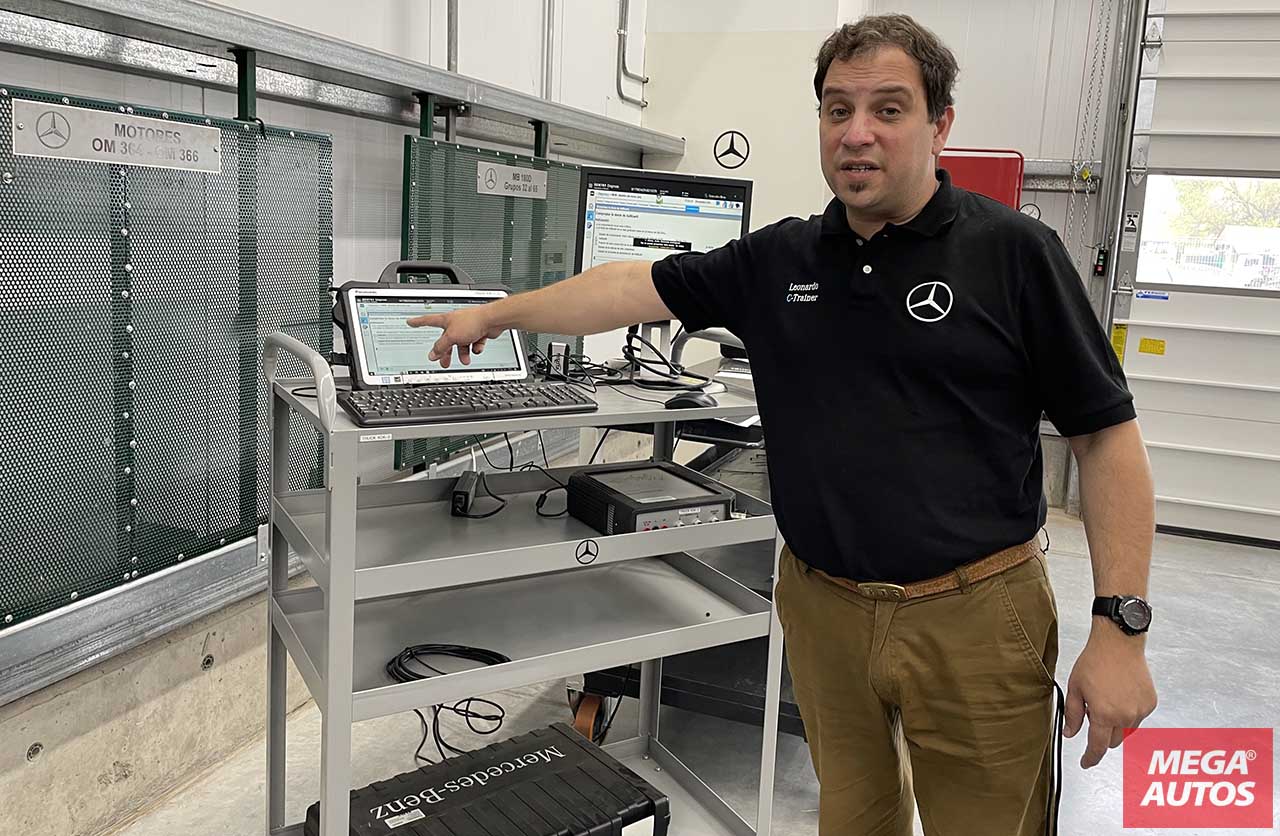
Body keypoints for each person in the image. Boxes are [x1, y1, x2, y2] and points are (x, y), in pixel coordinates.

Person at [408, 13, 1158, 836]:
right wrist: (495, 314)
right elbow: (628, 286)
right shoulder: (780, 260)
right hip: (823, 608)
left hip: (975, 614)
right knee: (854, 821)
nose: (857, 133)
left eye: (889, 109)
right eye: (838, 110)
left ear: (940, 123)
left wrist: (1119, 629)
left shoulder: (1015, 253)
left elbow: (1106, 437)